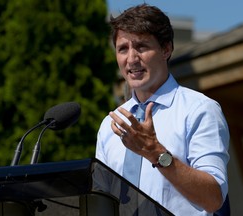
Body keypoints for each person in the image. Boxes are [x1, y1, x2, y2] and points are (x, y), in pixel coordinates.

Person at [95, 4, 230, 216]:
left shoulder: (199, 110)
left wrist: (155, 152)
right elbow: (99, 202)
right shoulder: (109, 125)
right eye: (123, 49)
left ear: (166, 49)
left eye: (141, 47)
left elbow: (214, 199)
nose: (131, 59)